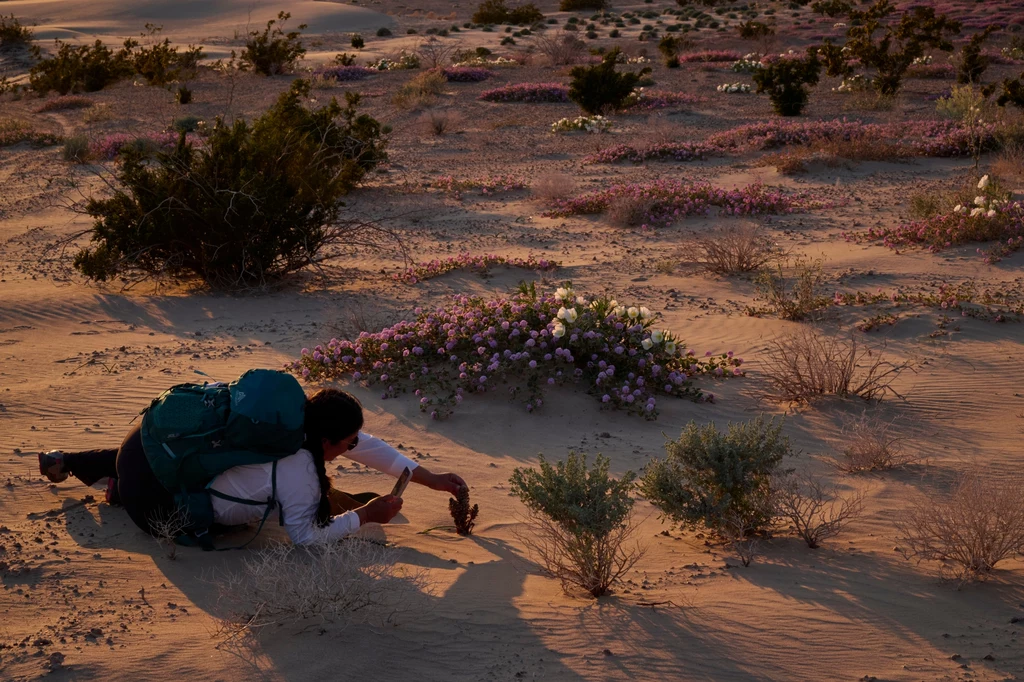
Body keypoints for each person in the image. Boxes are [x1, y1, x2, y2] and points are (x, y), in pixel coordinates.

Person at [38, 388, 467, 545]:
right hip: (156, 509)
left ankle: (74, 461)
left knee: (177, 455)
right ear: (325, 440)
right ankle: (122, 492)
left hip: (141, 445)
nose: (354, 447)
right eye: (347, 443)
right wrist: (366, 517)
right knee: (309, 507)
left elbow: (365, 444)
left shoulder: (290, 414)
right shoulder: (299, 470)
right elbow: (304, 535)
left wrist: (425, 477)